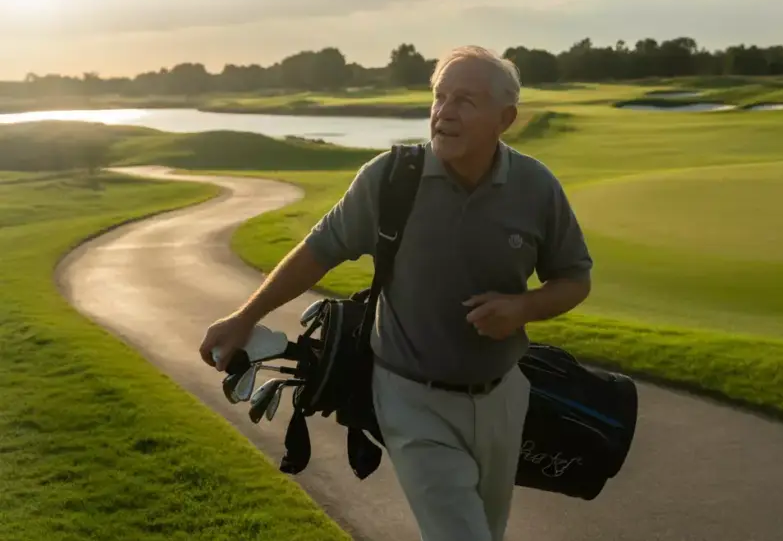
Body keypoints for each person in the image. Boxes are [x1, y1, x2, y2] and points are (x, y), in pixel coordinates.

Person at [199, 44, 593, 541]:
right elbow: (317, 251)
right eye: (440, 97)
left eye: (465, 100)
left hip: (502, 398)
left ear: (505, 118)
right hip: (411, 398)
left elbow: (575, 278)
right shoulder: (390, 180)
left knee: (487, 532)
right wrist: (244, 315)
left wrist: (524, 308)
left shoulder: (536, 187)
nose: (445, 112)